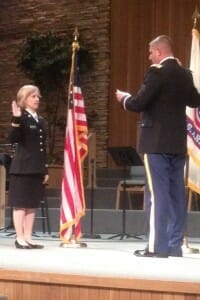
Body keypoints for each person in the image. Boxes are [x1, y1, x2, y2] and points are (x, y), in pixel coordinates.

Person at [115, 35, 200, 258]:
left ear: (160, 51)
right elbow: (195, 100)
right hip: (177, 143)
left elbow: (139, 103)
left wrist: (124, 98)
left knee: (157, 194)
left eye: (151, 52)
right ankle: (174, 245)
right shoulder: (185, 73)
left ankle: (156, 246)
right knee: (176, 195)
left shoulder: (157, 72)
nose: (149, 56)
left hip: (156, 144)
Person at [8, 85, 49, 249]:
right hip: (23, 167)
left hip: (36, 167)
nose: (37, 99)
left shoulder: (40, 120)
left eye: (38, 96)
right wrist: (16, 119)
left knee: (32, 203)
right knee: (21, 203)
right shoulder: (21, 118)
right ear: (24, 99)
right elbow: (13, 138)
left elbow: (42, 147)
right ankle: (19, 237)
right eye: (33, 96)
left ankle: (28, 236)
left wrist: (45, 168)